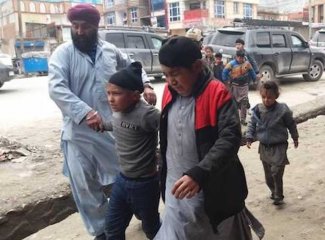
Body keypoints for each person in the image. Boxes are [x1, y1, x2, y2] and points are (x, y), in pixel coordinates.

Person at [48, 4, 156, 240]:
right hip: (78, 133)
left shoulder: (110, 50)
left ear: (95, 27)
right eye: (74, 27)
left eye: (84, 27)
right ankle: (101, 230)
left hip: (112, 128)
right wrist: (85, 112)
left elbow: (132, 68)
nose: (78, 31)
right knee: (85, 185)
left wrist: (146, 84)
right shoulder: (62, 54)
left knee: (127, 174)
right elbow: (56, 89)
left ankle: (140, 210)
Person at [154, 36, 264, 240]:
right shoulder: (169, 92)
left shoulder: (217, 93)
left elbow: (230, 139)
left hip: (212, 192)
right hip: (176, 191)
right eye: (166, 75)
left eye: (175, 74)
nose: (170, 81)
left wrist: (199, 173)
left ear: (196, 66)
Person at [103, 62, 161, 239]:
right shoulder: (118, 110)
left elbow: (171, 130)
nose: (111, 99)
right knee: (112, 229)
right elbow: (115, 124)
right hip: (121, 180)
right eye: (109, 93)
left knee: (151, 229)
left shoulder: (147, 114)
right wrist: (99, 124)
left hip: (145, 184)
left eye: (117, 94)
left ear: (135, 96)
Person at [246, 81, 299, 205]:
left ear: (276, 96)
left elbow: (291, 124)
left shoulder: (283, 110)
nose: (266, 100)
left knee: (276, 171)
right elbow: (252, 124)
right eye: (264, 97)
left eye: (269, 97)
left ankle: (278, 195)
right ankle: (274, 191)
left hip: (279, 146)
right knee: (268, 175)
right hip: (264, 147)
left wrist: (295, 137)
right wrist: (249, 137)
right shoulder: (258, 110)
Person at [223, 50, 257, 125]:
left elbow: (252, 72)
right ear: (236, 57)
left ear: (243, 57)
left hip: (244, 86)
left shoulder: (247, 64)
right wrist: (226, 81)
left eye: (241, 57)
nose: (240, 59)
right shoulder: (231, 64)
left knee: (244, 101)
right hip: (235, 86)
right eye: (238, 57)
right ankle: (234, 118)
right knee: (234, 103)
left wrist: (255, 80)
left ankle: (242, 119)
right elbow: (224, 72)